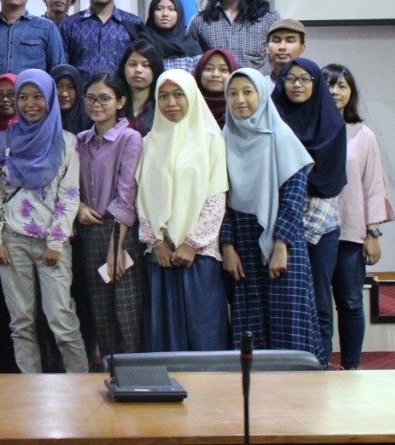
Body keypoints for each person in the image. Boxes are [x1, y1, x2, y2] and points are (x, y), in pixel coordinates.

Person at [220, 68, 325, 367]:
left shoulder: (281, 137)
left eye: (247, 92)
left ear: (262, 95)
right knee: (249, 322)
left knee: (289, 319)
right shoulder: (224, 139)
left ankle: (298, 390)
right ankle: (253, 390)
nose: (240, 100)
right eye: (232, 93)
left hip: (283, 239)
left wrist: (281, 244)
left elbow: (294, 196)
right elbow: (219, 197)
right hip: (242, 239)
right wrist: (227, 246)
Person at [0, 70, 87, 373]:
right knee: (21, 323)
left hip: (51, 243)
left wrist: (56, 242)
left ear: (50, 99)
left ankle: (80, 386)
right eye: (23, 97)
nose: (29, 104)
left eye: (37, 97)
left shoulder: (66, 142)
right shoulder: (4, 140)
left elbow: (69, 196)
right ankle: (29, 389)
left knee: (61, 319)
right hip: (12, 241)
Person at [136, 70, 229, 352]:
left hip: (198, 255)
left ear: (192, 97)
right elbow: (143, 197)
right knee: (164, 334)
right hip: (161, 255)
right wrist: (156, 242)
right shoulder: (149, 142)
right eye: (163, 96)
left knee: (203, 331)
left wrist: (192, 243)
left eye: (178, 95)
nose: (171, 103)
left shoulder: (211, 139)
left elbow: (216, 196)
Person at [323, 63, 395, 369]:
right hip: (314, 234)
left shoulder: (363, 135)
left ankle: (351, 368)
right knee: (317, 305)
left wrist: (373, 233)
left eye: (342, 86)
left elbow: (373, 186)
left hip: (349, 232)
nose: (335, 92)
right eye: (329, 85)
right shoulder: (308, 129)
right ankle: (319, 366)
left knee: (351, 302)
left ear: (351, 92)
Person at [273, 57, 348, 360]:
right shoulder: (272, 122)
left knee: (318, 298)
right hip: (278, 222)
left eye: (305, 79)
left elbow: (330, 182)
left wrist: (297, 228)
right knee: (284, 299)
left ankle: (321, 363)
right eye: (291, 78)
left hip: (320, 224)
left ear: (316, 84)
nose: (297, 85)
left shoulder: (333, 126)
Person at [75, 72, 145, 358]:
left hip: (120, 231)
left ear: (120, 102)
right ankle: (106, 372)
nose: (96, 104)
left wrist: (116, 246)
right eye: (90, 98)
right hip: (90, 232)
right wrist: (79, 206)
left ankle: (134, 375)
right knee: (100, 312)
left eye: (104, 98)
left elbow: (126, 195)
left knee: (127, 312)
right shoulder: (80, 140)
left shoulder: (130, 138)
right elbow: (69, 187)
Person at [60, 0, 143, 82]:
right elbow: (63, 69)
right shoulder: (70, 24)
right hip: (82, 93)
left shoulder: (133, 23)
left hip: (121, 93)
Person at [140, 0, 203, 73]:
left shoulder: (192, 47)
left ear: (179, 13)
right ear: (152, 13)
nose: (165, 14)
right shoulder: (142, 44)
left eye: (171, 9)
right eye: (159, 9)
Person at [119, 39, 164, 137]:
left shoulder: (163, 107)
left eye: (146, 65)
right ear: (123, 69)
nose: (138, 70)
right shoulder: (113, 104)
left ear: (155, 69)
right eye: (133, 64)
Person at [194, 48, 237, 127]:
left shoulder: (239, 107)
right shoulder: (189, 107)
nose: (215, 74)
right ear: (199, 72)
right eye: (209, 68)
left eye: (223, 70)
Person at [51, 64, 91, 135]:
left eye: (71, 87)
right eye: (58, 86)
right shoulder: (42, 118)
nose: (64, 94)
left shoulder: (90, 118)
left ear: (78, 89)